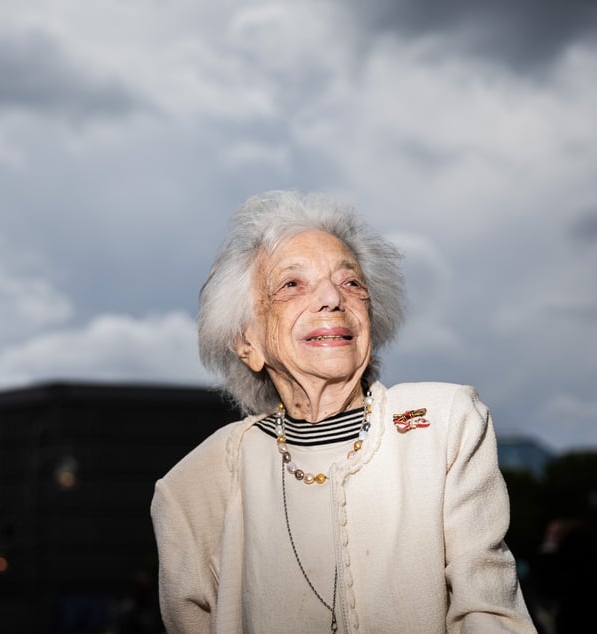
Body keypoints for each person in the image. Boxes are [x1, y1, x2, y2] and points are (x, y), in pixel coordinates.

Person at [151, 191, 536, 633]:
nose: (333, 298)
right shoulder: (195, 487)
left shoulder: (443, 423)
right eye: (291, 285)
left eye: (351, 282)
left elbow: (489, 611)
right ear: (247, 343)